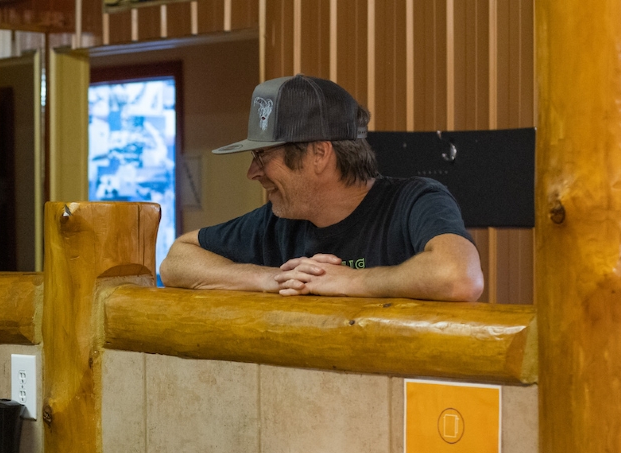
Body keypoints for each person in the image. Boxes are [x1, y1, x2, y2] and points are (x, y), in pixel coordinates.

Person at [160, 74, 484, 301]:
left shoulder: (415, 201)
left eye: (262, 156)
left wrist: (350, 281)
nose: (252, 172)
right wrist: (267, 278)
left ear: (319, 154)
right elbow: (176, 261)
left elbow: (460, 276)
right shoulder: (277, 222)